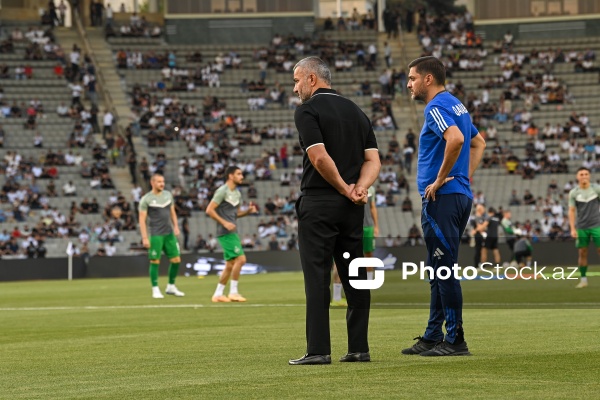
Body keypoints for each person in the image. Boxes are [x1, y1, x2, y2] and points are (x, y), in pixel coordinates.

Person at [288, 56, 380, 366]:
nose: (295, 87)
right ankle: (358, 348)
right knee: (355, 275)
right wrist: (359, 189)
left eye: (297, 80)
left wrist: (343, 187)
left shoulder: (308, 111)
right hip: (352, 206)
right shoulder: (357, 111)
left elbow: (319, 157)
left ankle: (318, 350)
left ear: (312, 79)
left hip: (320, 201)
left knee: (317, 277)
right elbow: (373, 161)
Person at [402, 56, 485, 357]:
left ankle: (455, 339)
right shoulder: (456, 104)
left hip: (442, 199)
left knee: (444, 269)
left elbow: (457, 139)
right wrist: (462, 177)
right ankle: (432, 335)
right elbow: (479, 143)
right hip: (458, 195)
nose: (408, 84)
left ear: (427, 79)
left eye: (412, 78)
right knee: (438, 268)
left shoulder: (435, 106)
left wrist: (439, 181)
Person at [206, 166, 258, 303]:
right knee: (241, 260)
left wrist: (248, 211)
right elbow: (209, 210)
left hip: (232, 231)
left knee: (230, 265)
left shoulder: (237, 193)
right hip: (225, 232)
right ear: (230, 176)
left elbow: (236, 214)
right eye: (239, 174)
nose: (242, 177)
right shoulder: (222, 191)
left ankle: (217, 294)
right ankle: (233, 292)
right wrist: (224, 223)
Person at [138, 174, 185, 299]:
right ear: (152, 183)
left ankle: (171, 286)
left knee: (176, 260)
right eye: (159, 182)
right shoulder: (146, 199)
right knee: (155, 261)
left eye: (163, 181)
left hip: (169, 233)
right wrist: (144, 237)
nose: (162, 184)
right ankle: (155, 289)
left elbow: (172, 212)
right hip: (156, 234)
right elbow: (142, 220)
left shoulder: (168, 195)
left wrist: (176, 226)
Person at [568, 167, 600, 288]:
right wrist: (572, 228)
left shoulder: (596, 189)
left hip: (597, 225)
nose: (584, 176)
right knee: (582, 252)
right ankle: (583, 280)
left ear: (589, 176)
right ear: (577, 177)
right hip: (582, 227)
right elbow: (571, 211)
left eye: (586, 174)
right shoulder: (574, 192)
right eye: (581, 174)